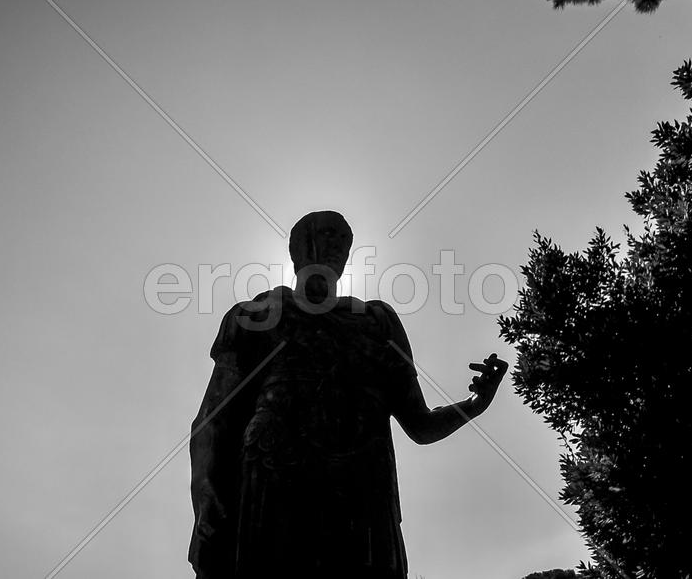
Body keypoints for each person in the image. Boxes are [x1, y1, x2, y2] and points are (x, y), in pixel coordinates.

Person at [189, 210, 508, 579]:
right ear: (299, 247)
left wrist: (474, 405)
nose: (337, 244)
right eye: (328, 233)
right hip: (278, 489)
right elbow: (215, 417)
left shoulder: (377, 323)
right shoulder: (257, 315)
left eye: (344, 239)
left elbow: (420, 425)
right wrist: (206, 492)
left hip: (363, 494)